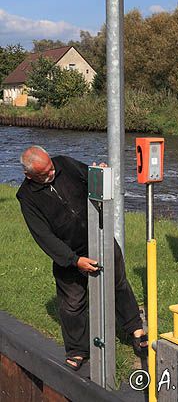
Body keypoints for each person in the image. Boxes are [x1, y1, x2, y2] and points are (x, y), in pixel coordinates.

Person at [17, 145, 147, 371]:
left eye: (51, 168)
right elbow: (43, 236)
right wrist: (73, 260)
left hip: (99, 236)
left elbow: (90, 178)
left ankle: (135, 329)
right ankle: (77, 350)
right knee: (72, 304)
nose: (52, 174)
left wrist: (99, 172)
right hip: (69, 253)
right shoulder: (26, 197)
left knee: (118, 284)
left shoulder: (64, 164)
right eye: (45, 174)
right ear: (29, 175)